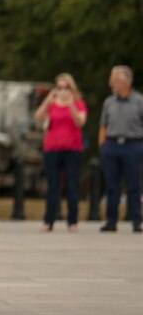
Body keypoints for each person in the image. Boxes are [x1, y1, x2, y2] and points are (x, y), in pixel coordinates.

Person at [35, 73, 87, 232]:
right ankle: (48, 220)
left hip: (72, 149)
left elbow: (80, 122)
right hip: (52, 148)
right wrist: (48, 99)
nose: (62, 91)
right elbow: (38, 118)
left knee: (71, 185)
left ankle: (72, 221)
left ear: (72, 89)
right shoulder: (51, 104)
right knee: (53, 185)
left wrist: (70, 104)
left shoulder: (78, 104)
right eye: (59, 87)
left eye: (66, 87)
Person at [97, 65, 143, 232]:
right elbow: (103, 125)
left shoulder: (139, 101)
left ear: (125, 82)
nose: (111, 84)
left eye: (114, 80)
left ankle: (136, 220)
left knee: (133, 185)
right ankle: (111, 220)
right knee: (111, 185)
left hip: (133, 145)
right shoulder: (109, 102)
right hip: (111, 145)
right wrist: (103, 146)